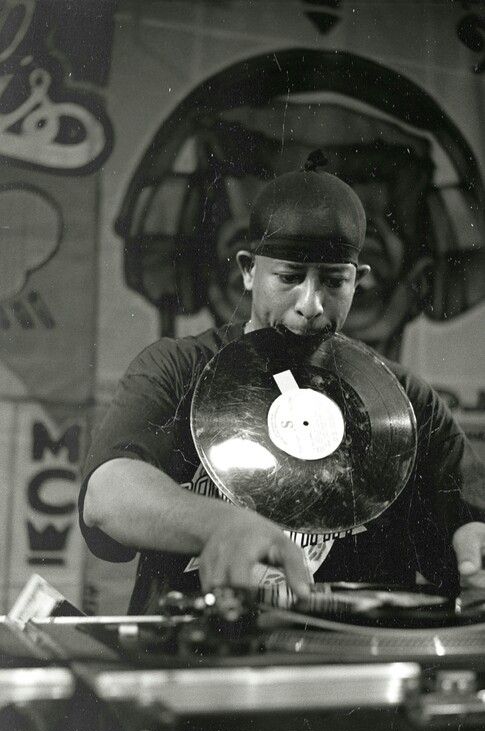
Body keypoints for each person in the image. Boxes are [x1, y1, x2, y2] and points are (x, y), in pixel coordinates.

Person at [79, 156, 485, 615]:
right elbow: (107, 493)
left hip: (348, 669)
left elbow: (466, 517)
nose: (311, 304)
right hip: (200, 661)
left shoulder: (406, 399)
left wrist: (471, 542)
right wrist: (220, 525)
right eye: (289, 278)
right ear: (249, 270)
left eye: (335, 281)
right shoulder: (176, 368)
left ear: (360, 280)